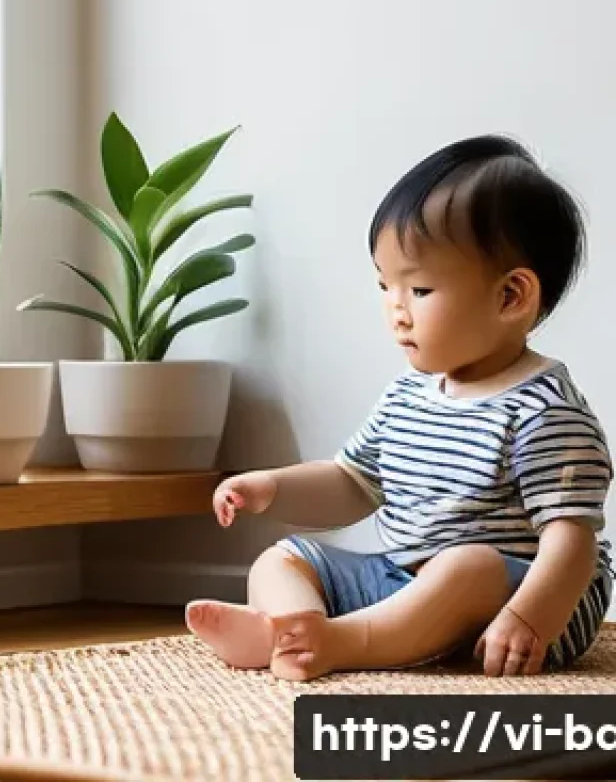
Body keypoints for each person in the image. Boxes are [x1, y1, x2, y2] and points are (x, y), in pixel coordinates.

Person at [186, 135, 613, 681]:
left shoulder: (542, 410)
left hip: (523, 605)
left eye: (420, 290)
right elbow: (350, 483)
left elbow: (571, 542)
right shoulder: (407, 397)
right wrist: (271, 487)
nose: (396, 311)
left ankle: (342, 642)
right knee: (283, 558)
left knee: (469, 563)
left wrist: (529, 618)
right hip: (406, 583)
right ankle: (289, 629)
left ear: (510, 297)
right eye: (385, 285)